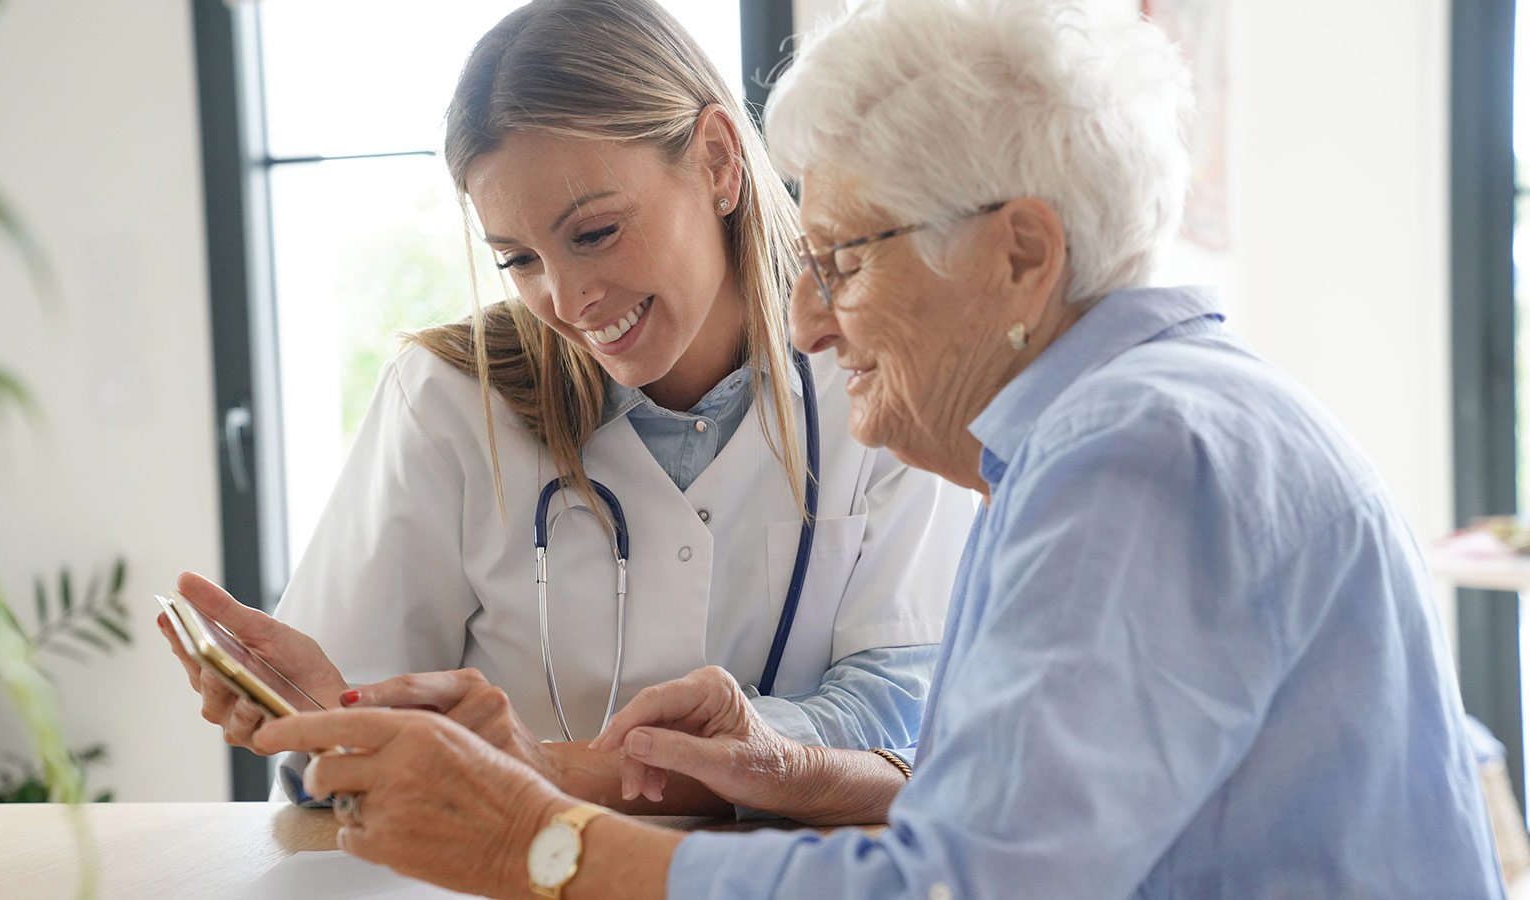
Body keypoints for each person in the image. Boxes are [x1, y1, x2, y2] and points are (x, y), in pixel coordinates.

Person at [247, 0, 1508, 896]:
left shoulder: (1137, 458)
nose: (802, 314)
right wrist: (797, 771)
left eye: (844, 259)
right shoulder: (1121, 426)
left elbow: (959, 885)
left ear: (1021, 251)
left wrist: (541, 842)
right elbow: (1024, 819)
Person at [159, 0, 971, 812]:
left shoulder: (871, 372)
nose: (568, 298)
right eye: (518, 258)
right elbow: (349, 754)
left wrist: (559, 771)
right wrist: (313, 723)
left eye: (595, 233)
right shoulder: (446, 403)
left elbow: (906, 720)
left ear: (719, 162)